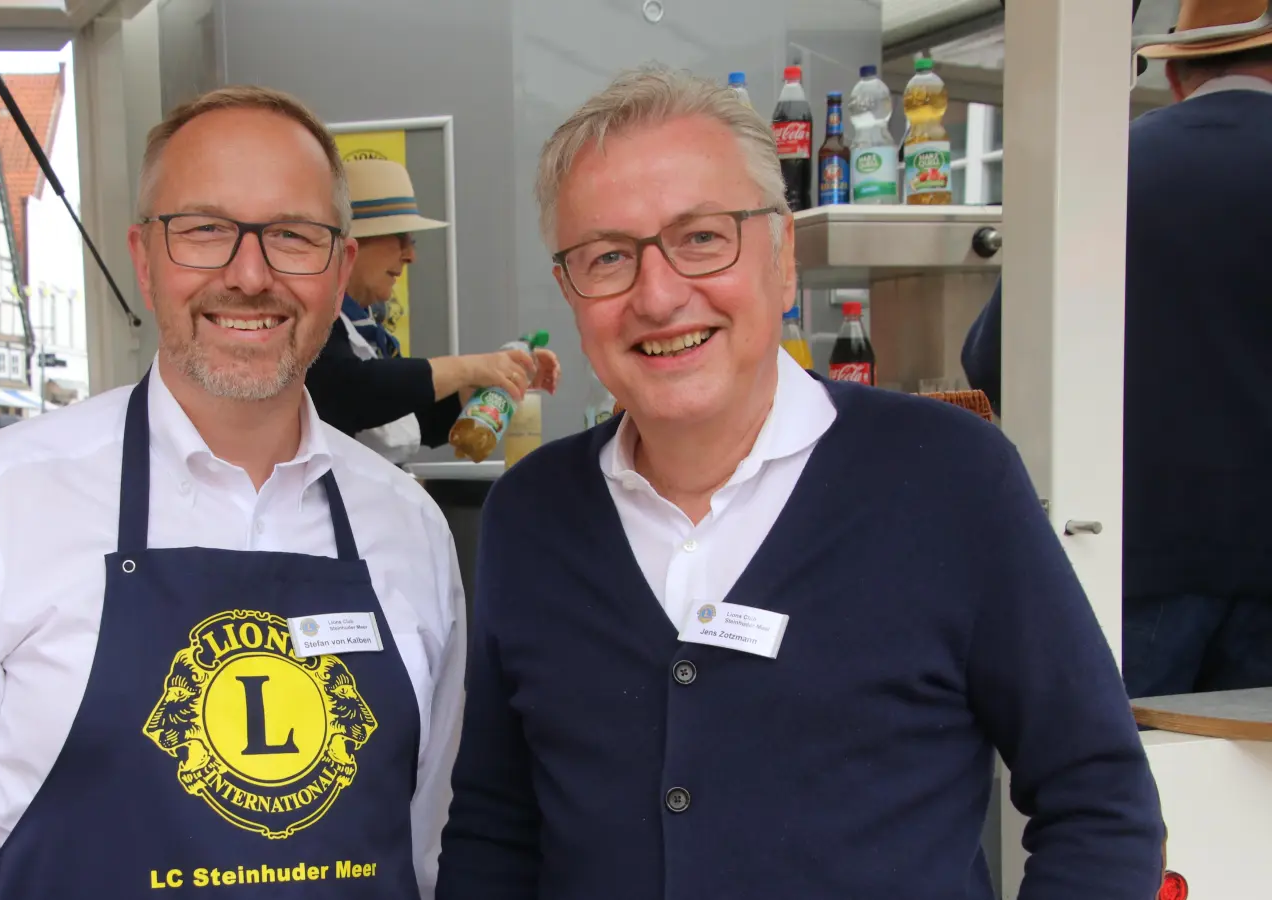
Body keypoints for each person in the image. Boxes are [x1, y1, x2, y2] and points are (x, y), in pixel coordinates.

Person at [435, 66, 1164, 900]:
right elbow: (496, 824)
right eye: (607, 258)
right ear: (570, 294)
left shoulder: (949, 480)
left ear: (782, 259)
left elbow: (1100, 797)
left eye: (702, 237)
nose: (660, 294)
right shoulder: (533, 514)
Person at [0, 85, 466, 900]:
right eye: (203, 230)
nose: (249, 274)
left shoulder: (409, 527)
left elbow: (430, 852)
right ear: (142, 257)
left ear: (339, 266)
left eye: (292, 236)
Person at [961, 1, 1272, 698]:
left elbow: (993, 356)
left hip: (1134, 562)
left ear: (1178, 72)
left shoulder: (1108, 169)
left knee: (1114, 784)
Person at [305, 158, 559, 463]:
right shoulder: (309, 322)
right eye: (401, 239)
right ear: (351, 247)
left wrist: (493, 382)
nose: (410, 255)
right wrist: (470, 368)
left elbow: (409, 420)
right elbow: (352, 393)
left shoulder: (362, 324)